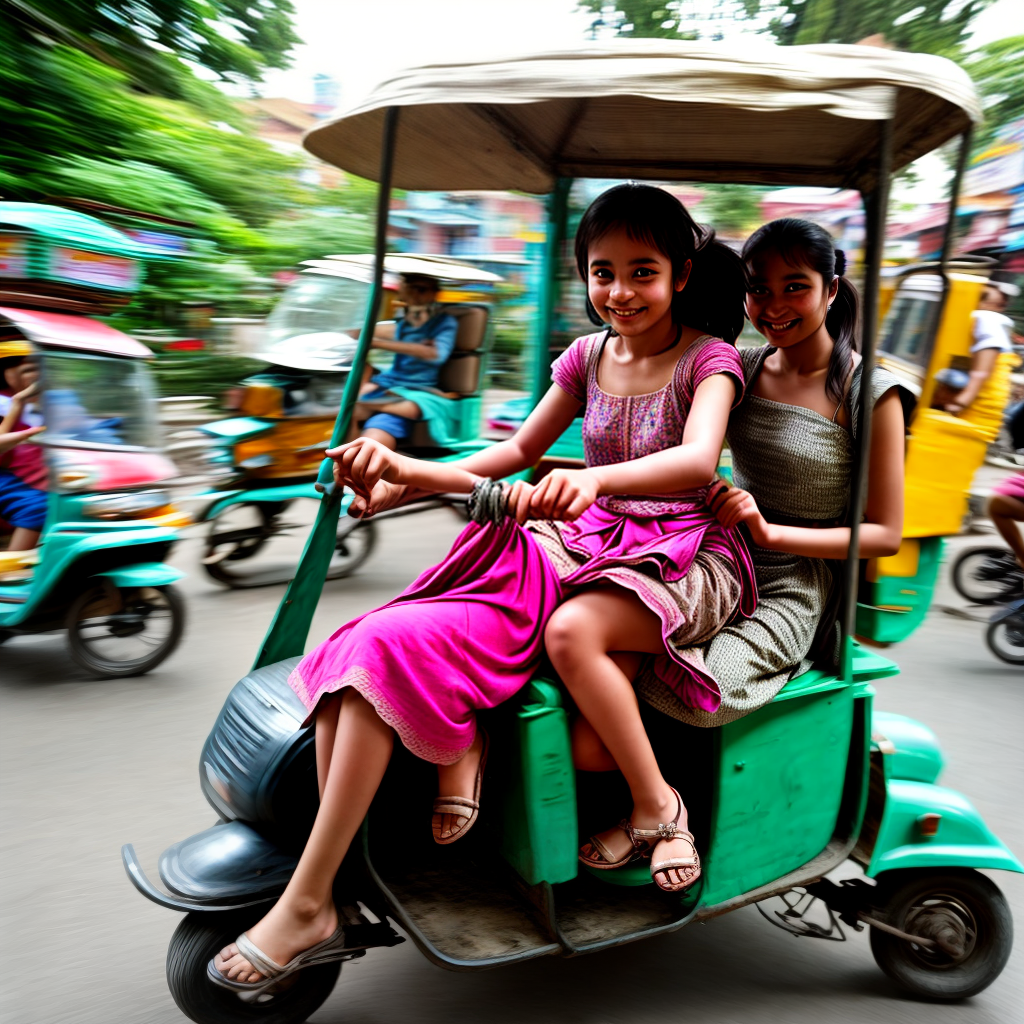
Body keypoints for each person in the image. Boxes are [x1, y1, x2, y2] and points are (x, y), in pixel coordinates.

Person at [210, 182, 754, 991]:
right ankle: (319, 892)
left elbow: (694, 460)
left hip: (675, 553)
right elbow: (509, 453)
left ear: (679, 275)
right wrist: (406, 478)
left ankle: (652, 805)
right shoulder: (586, 356)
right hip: (575, 542)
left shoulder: (710, 358)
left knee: (557, 655)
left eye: (643, 272)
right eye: (602, 273)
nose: (620, 292)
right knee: (367, 649)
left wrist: (595, 482)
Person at [573, 217, 904, 755]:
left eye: (794, 287)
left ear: (832, 289)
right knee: (598, 646)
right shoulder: (740, 367)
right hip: (713, 557)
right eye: (758, 289)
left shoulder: (869, 392)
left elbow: (884, 535)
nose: (773, 306)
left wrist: (770, 533)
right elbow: (672, 444)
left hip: (794, 583)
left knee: (699, 685)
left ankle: (664, 810)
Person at [351, 273, 459, 448]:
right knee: (348, 400)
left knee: (408, 408)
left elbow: (437, 354)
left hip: (418, 390)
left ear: (434, 293)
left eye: (422, 290)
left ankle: (368, 408)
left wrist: (377, 344)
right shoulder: (404, 323)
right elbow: (365, 333)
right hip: (390, 384)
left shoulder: (444, 322)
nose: (415, 295)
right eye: (410, 288)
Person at [939, 281, 1019, 436]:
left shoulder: (986, 318)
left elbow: (982, 370)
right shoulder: (988, 320)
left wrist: (961, 401)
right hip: (984, 401)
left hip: (979, 403)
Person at [0, 348, 47, 551]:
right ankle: (10, 570)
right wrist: (17, 404)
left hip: (31, 473)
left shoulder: (46, 402)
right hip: (6, 473)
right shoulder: (6, 402)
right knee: (37, 506)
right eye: (27, 369)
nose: (34, 376)